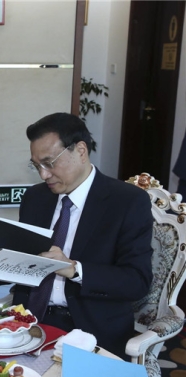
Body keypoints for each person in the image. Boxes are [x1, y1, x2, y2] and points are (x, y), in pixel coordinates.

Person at [12, 112, 153, 359]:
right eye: (36, 166)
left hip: (91, 330)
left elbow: (137, 281)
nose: (43, 175)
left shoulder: (127, 202)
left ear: (80, 151)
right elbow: (27, 263)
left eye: (49, 163)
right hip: (29, 321)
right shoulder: (35, 197)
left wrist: (75, 270)